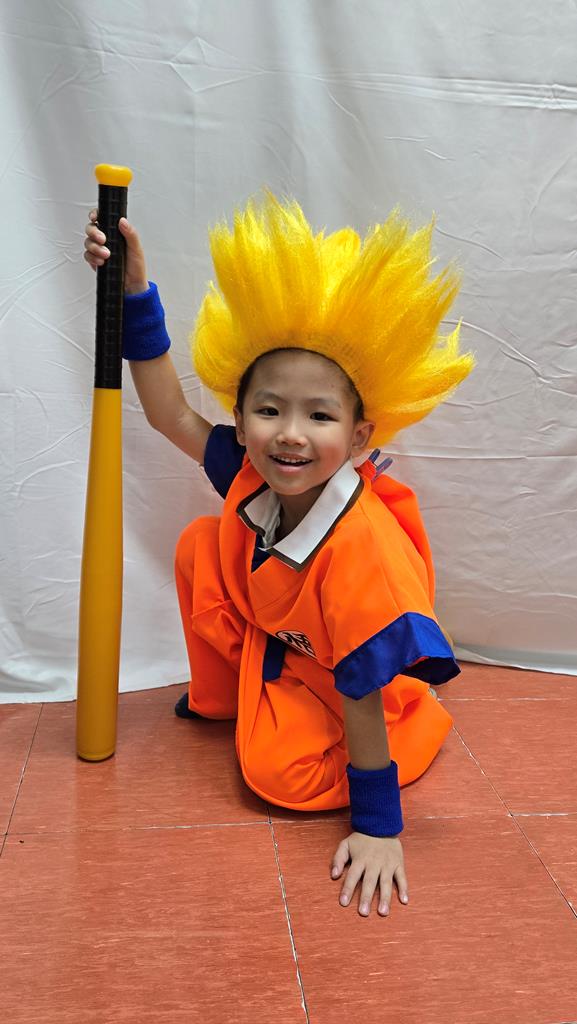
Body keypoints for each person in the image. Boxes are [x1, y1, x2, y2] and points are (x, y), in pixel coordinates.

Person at [84, 194, 474, 919]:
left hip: (348, 676)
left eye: (319, 415)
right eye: (269, 410)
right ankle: (226, 699)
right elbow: (168, 412)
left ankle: (401, 724)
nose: (290, 434)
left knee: (278, 776)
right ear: (240, 418)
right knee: (200, 544)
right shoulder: (252, 469)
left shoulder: (361, 547)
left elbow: (360, 686)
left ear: (359, 436)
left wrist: (378, 825)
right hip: (287, 638)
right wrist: (133, 293)